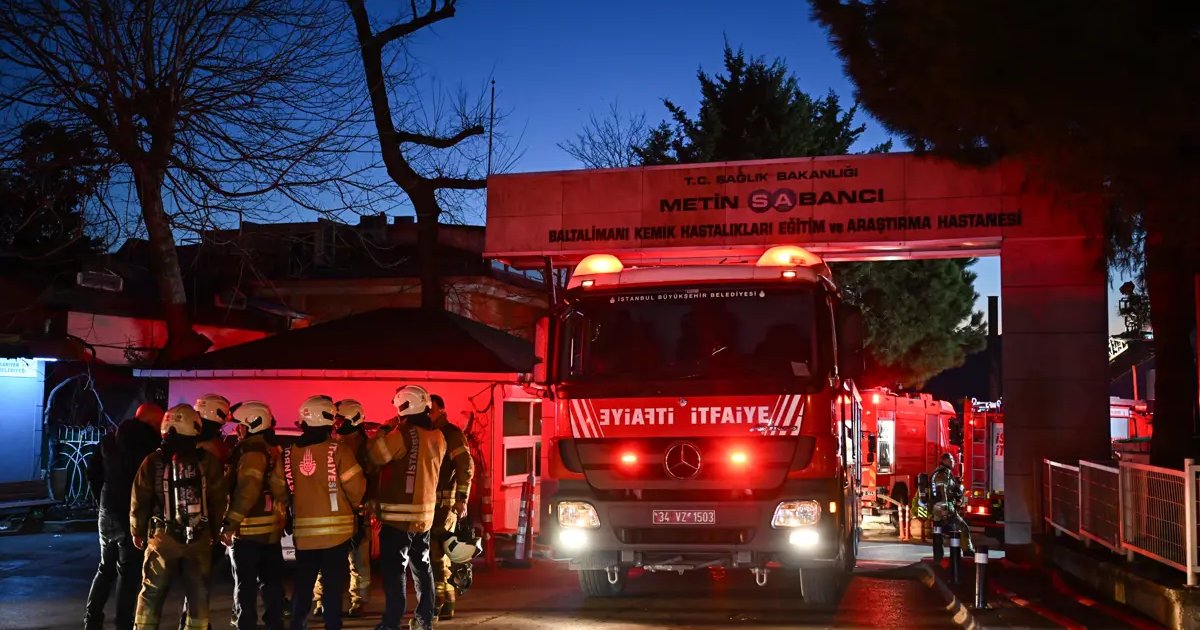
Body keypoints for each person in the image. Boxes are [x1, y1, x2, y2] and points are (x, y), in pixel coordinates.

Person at [129, 404, 227, 630]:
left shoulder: (153, 460)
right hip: (199, 538)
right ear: (195, 427)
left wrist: (137, 531)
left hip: (162, 537)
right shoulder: (207, 460)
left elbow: (139, 499)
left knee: (152, 592)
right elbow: (218, 499)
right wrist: (214, 531)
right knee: (198, 593)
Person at [285, 395, 366, 630]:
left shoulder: (289, 454)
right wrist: (355, 508)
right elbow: (356, 487)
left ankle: (297, 625)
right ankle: (332, 625)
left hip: (304, 536)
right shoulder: (339, 450)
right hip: (337, 535)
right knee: (332, 586)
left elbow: (281, 489)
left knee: (303, 585)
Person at [369, 385, 447, 630]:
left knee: (394, 573)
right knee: (423, 568)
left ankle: (391, 622)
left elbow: (376, 456)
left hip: (398, 518)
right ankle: (425, 620)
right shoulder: (438, 435)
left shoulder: (402, 434)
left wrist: (383, 431)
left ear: (402, 407)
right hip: (424, 517)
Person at [85, 402, 164, 630]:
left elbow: (92, 472)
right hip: (132, 515)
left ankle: (92, 620)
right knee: (128, 574)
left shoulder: (110, 439)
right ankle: (123, 623)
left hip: (107, 512)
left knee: (105, 568)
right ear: (152, 422)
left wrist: (101, 500)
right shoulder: (150, 447)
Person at [222, 401, 289, 630]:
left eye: (240, 425)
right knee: (272, 583)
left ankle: (246, 624)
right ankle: (274, 624)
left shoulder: (251, 452)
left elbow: (247, 491)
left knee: (246, 585)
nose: (237, 429)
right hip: (271, 531)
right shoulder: (272, 449)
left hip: (249, 531)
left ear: (252, 424)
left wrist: (230, 523)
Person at [311, 399, 374, 618]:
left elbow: (371, 479)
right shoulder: (334, 444)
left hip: (357, 512)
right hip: (336, 510)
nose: (336, 424)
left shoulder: (366, 447)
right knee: (327, 561)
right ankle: (321, 600)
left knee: (359, 561)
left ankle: (359, 601)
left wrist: (366, 505)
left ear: (352, 419)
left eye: (340, 420)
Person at [179, 394, 233, 630]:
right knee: (200, 578)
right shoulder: (213, 448)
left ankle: (188, 620)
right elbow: (219, 491)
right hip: (205, 521)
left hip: (182, 520)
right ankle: (195, 623)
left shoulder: (185, 443)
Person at [428, 394, 474, 621]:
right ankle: (448, 604)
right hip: (434, 504)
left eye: (432, 410)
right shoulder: (431, 433)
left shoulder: (452, 434)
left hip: (445, 506)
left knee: (434, 555)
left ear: (442, 411)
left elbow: (465, 466)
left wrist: (462, 498)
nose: (428, 414)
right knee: (440, 556)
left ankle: (436, 604)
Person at [929, 452, 974, 554]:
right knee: (963, 527)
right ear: (944, 461)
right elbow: (942, 491)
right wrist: (945, 510)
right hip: (945, 509)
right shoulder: (942, 474)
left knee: (939, 533)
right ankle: (967, 550)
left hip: (940, 509)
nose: (953, 462)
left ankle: (939, 555)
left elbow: (951, 491)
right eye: (951, 460)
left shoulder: (944, 473)